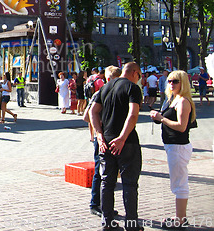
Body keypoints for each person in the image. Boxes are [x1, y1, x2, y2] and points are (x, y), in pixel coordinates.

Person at [90, 62, 143, 231]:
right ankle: (132, 224)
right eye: (140, 76)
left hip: (105, 141)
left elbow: (93, 111)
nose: (139, 79)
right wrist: (122, 137)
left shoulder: (105, 87)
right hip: (126, 143)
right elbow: (133, 114)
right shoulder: (132, 88)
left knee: (107, 182)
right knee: (129, 184)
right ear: (134, 73)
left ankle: (108, 222)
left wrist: (99, 134)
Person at [150, 70, 196, 229]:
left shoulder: (183, 101)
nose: (171, 84)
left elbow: (182, 127)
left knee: (179, 184)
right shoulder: (172, 99)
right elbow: (167, 119)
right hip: (172, 145)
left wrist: (161, 118)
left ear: (182, 82)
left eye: (175, 81)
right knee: (178, 182)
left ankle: (181, 220)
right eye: (169, 80)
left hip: (178, 146)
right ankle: (180, 217)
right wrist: (158, 117)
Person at [83, 65, 121, 218]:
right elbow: (87, 116)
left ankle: (106, 206)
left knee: (109, 173)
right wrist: (99, 127)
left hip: (109, 138)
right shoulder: (101, 93)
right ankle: (95, 204)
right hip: (103, 138)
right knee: (100, 172)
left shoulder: (110, 93)